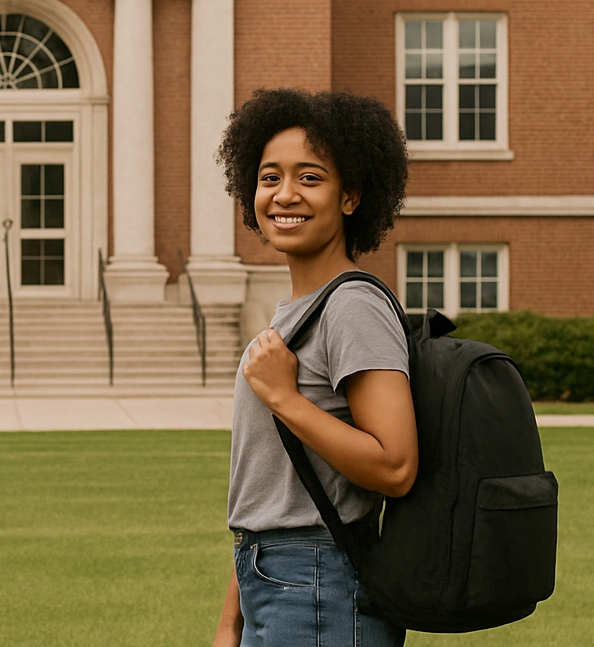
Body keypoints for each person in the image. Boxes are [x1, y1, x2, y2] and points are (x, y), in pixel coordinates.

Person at [210, 88, 416, 647]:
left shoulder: (352, 306)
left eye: (309, 177)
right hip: (271, 578)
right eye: (269, 177)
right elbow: (270, 492)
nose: (284, 194)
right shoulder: (297, 313)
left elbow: (395, 465)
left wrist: (286, 398)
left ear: (350, 197)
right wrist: (231, 623)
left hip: (319, 585)